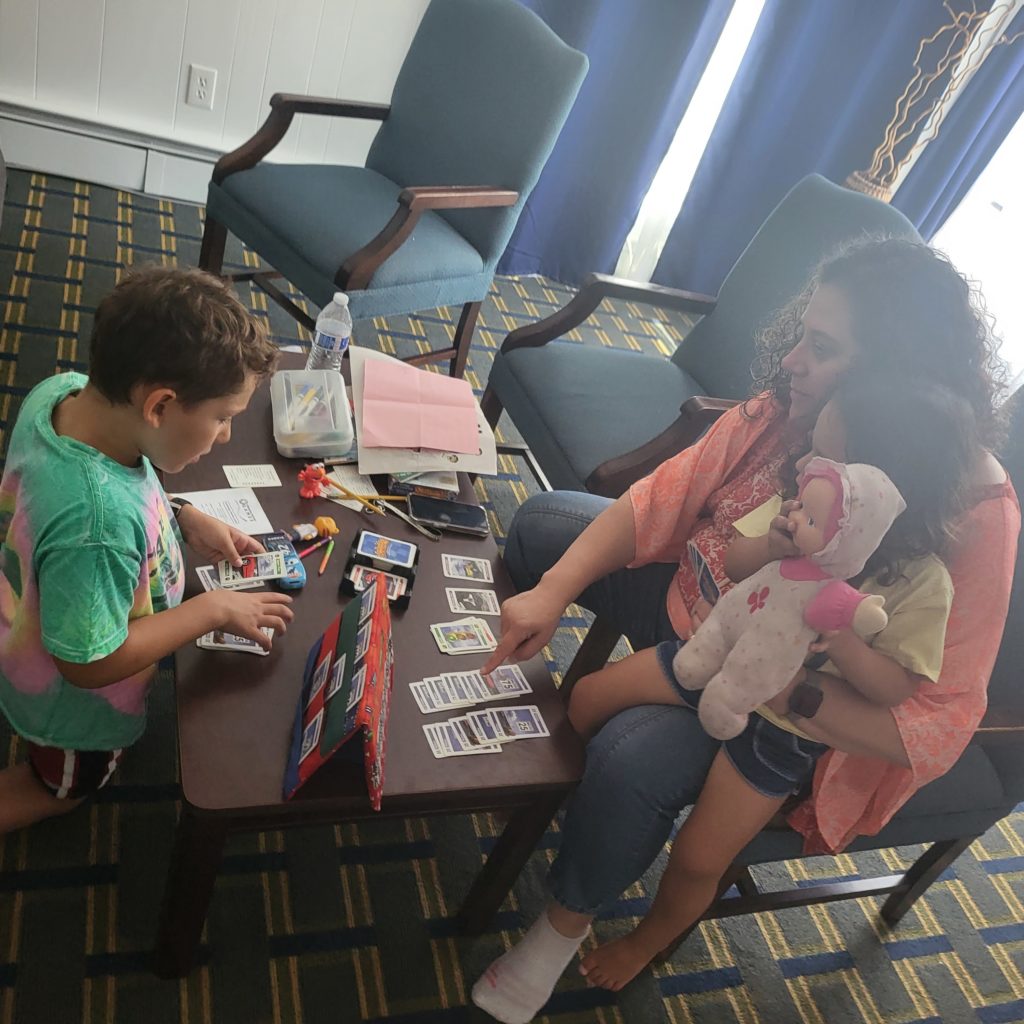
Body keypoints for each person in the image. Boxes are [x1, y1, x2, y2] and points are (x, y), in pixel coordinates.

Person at [470, 237, 1020, 1024]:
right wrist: (553, 593)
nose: (792, 361)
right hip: (708, 618)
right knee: (544, 527)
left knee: (631, 765)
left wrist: (781, 684)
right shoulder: (811, 415)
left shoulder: (970, 517)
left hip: (786, 708)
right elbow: (673, 495)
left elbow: (935, 721)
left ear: (889, 384)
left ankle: (563, 927)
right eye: (803, 332)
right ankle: (548, 787)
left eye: (821, 348)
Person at [558, 377, 973, 992]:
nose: (803, 462)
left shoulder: (922, 583)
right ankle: (573, 806)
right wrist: (774, 543)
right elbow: (737, 560)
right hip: (722, 661)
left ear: (873, 495)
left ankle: (648, 941)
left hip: (784, 732)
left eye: (824, 460)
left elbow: (896, 688)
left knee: (700, 857)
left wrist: (847, 644)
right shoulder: (798, 503)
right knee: (589, 696)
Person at [0, 266, 295, 835]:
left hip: (32, 603)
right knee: (63, 786)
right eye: (223, 418)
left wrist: (182, 517)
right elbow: (88, 664)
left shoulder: (63, 392)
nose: (226, 436)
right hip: (68, 707)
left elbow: (125, 481)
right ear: (159, 406)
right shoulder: (99, 525)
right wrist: (208, 610)